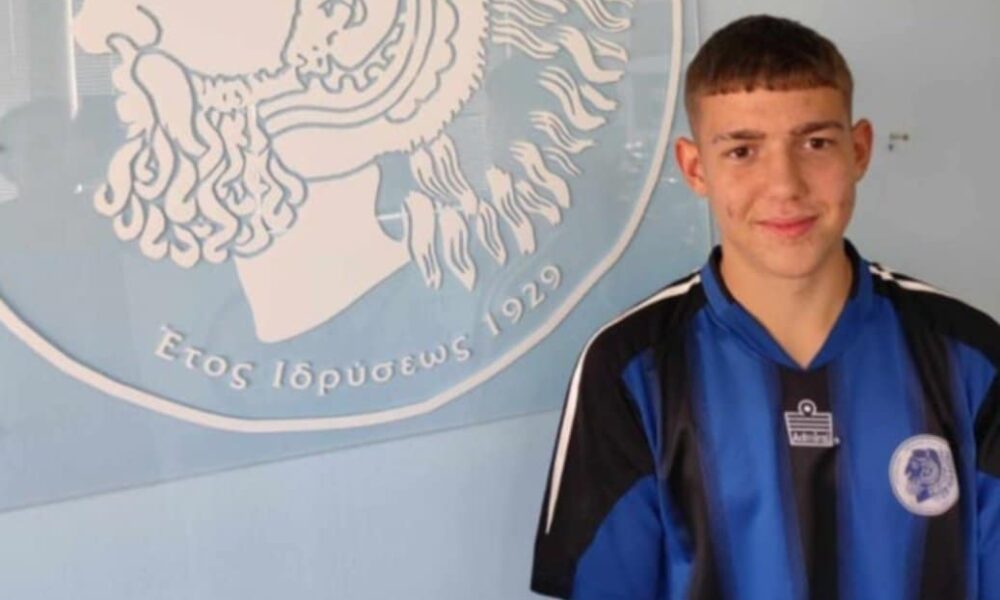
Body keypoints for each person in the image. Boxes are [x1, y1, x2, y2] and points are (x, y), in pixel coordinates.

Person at [531, 14, 1000, 599]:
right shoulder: (629, 368)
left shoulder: (971, 355)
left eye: (815, 143)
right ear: (695, 167)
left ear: (859, 150)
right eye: (742, 150)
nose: (785, 185)